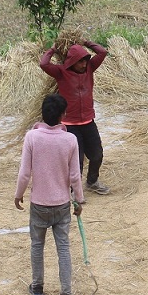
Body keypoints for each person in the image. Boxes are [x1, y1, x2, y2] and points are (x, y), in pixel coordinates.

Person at [15, 94, 84, 295]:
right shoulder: (70, 140)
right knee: (63, 247)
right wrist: (79, 200)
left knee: (37, 245)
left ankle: (37, 286)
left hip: (38, 203)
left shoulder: (32, 137)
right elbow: (75, 175)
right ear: (63, 115)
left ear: (42, 114)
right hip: (62, 203)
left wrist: (18, 194)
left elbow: (25, 173)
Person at [40, 38, 110, 195]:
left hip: (88, 121)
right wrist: (53, 49)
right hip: (70, 124)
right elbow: (44, 64)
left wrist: (86, 42)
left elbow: (102, 52)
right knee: (75, 161)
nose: (84, 64)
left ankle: (92, 182)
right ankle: (73, 190)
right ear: (72, 62)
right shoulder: (61, 73)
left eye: (86, 60)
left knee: (97, 155)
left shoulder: (90, 69)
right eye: (80, 62)